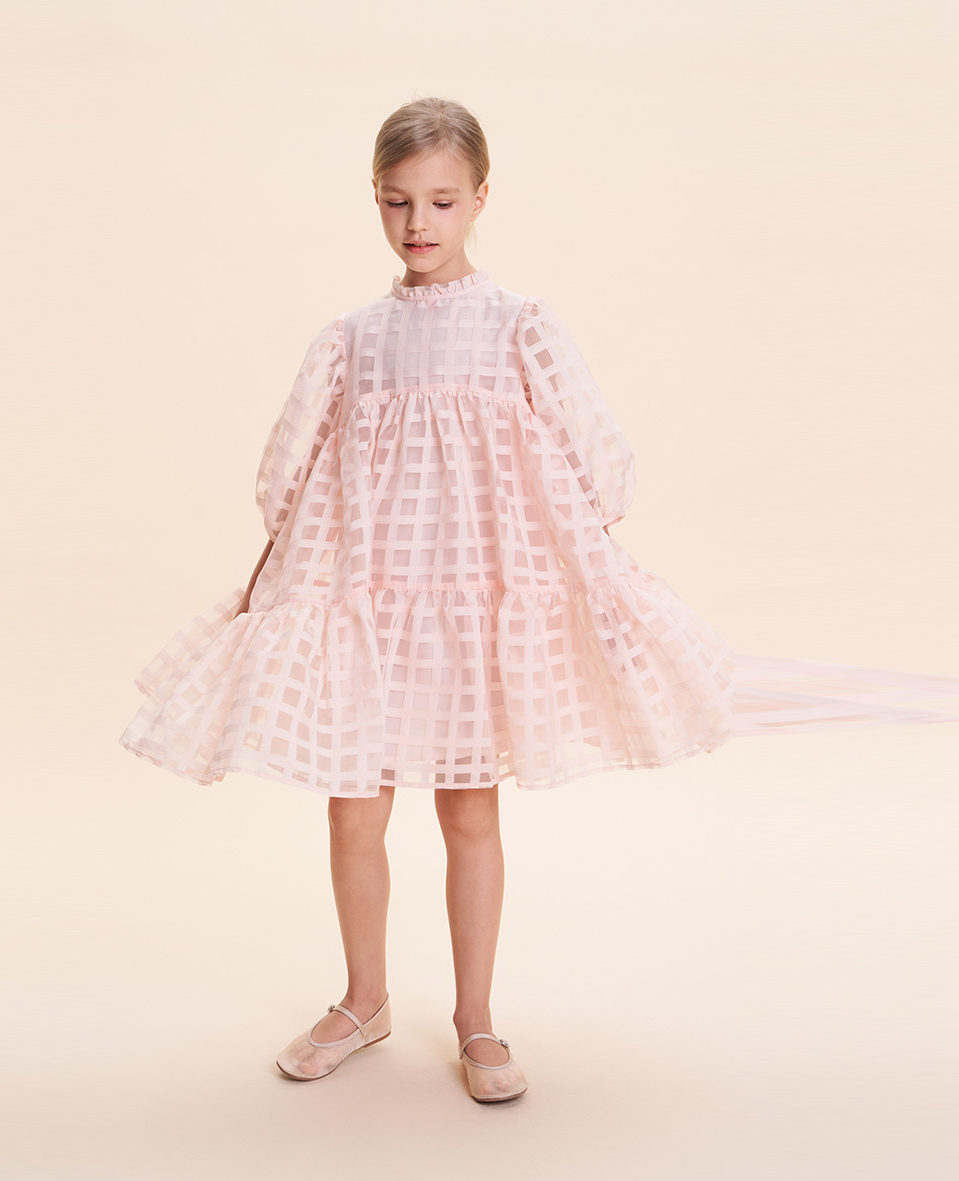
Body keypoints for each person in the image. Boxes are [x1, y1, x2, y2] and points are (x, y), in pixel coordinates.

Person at [118, 96, 737, 1103]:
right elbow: (286, 471)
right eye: (398, 201)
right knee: (353, 810)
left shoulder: (519, 327)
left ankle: (476, 1018)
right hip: (366, 598)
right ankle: (365, 999)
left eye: (442, 201)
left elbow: (597, 450)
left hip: (472, 602)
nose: (419, 223)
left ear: (481, 198)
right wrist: (285, 569)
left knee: (469, 811)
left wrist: (569, 545)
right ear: (374, 197)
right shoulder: (351, 340)